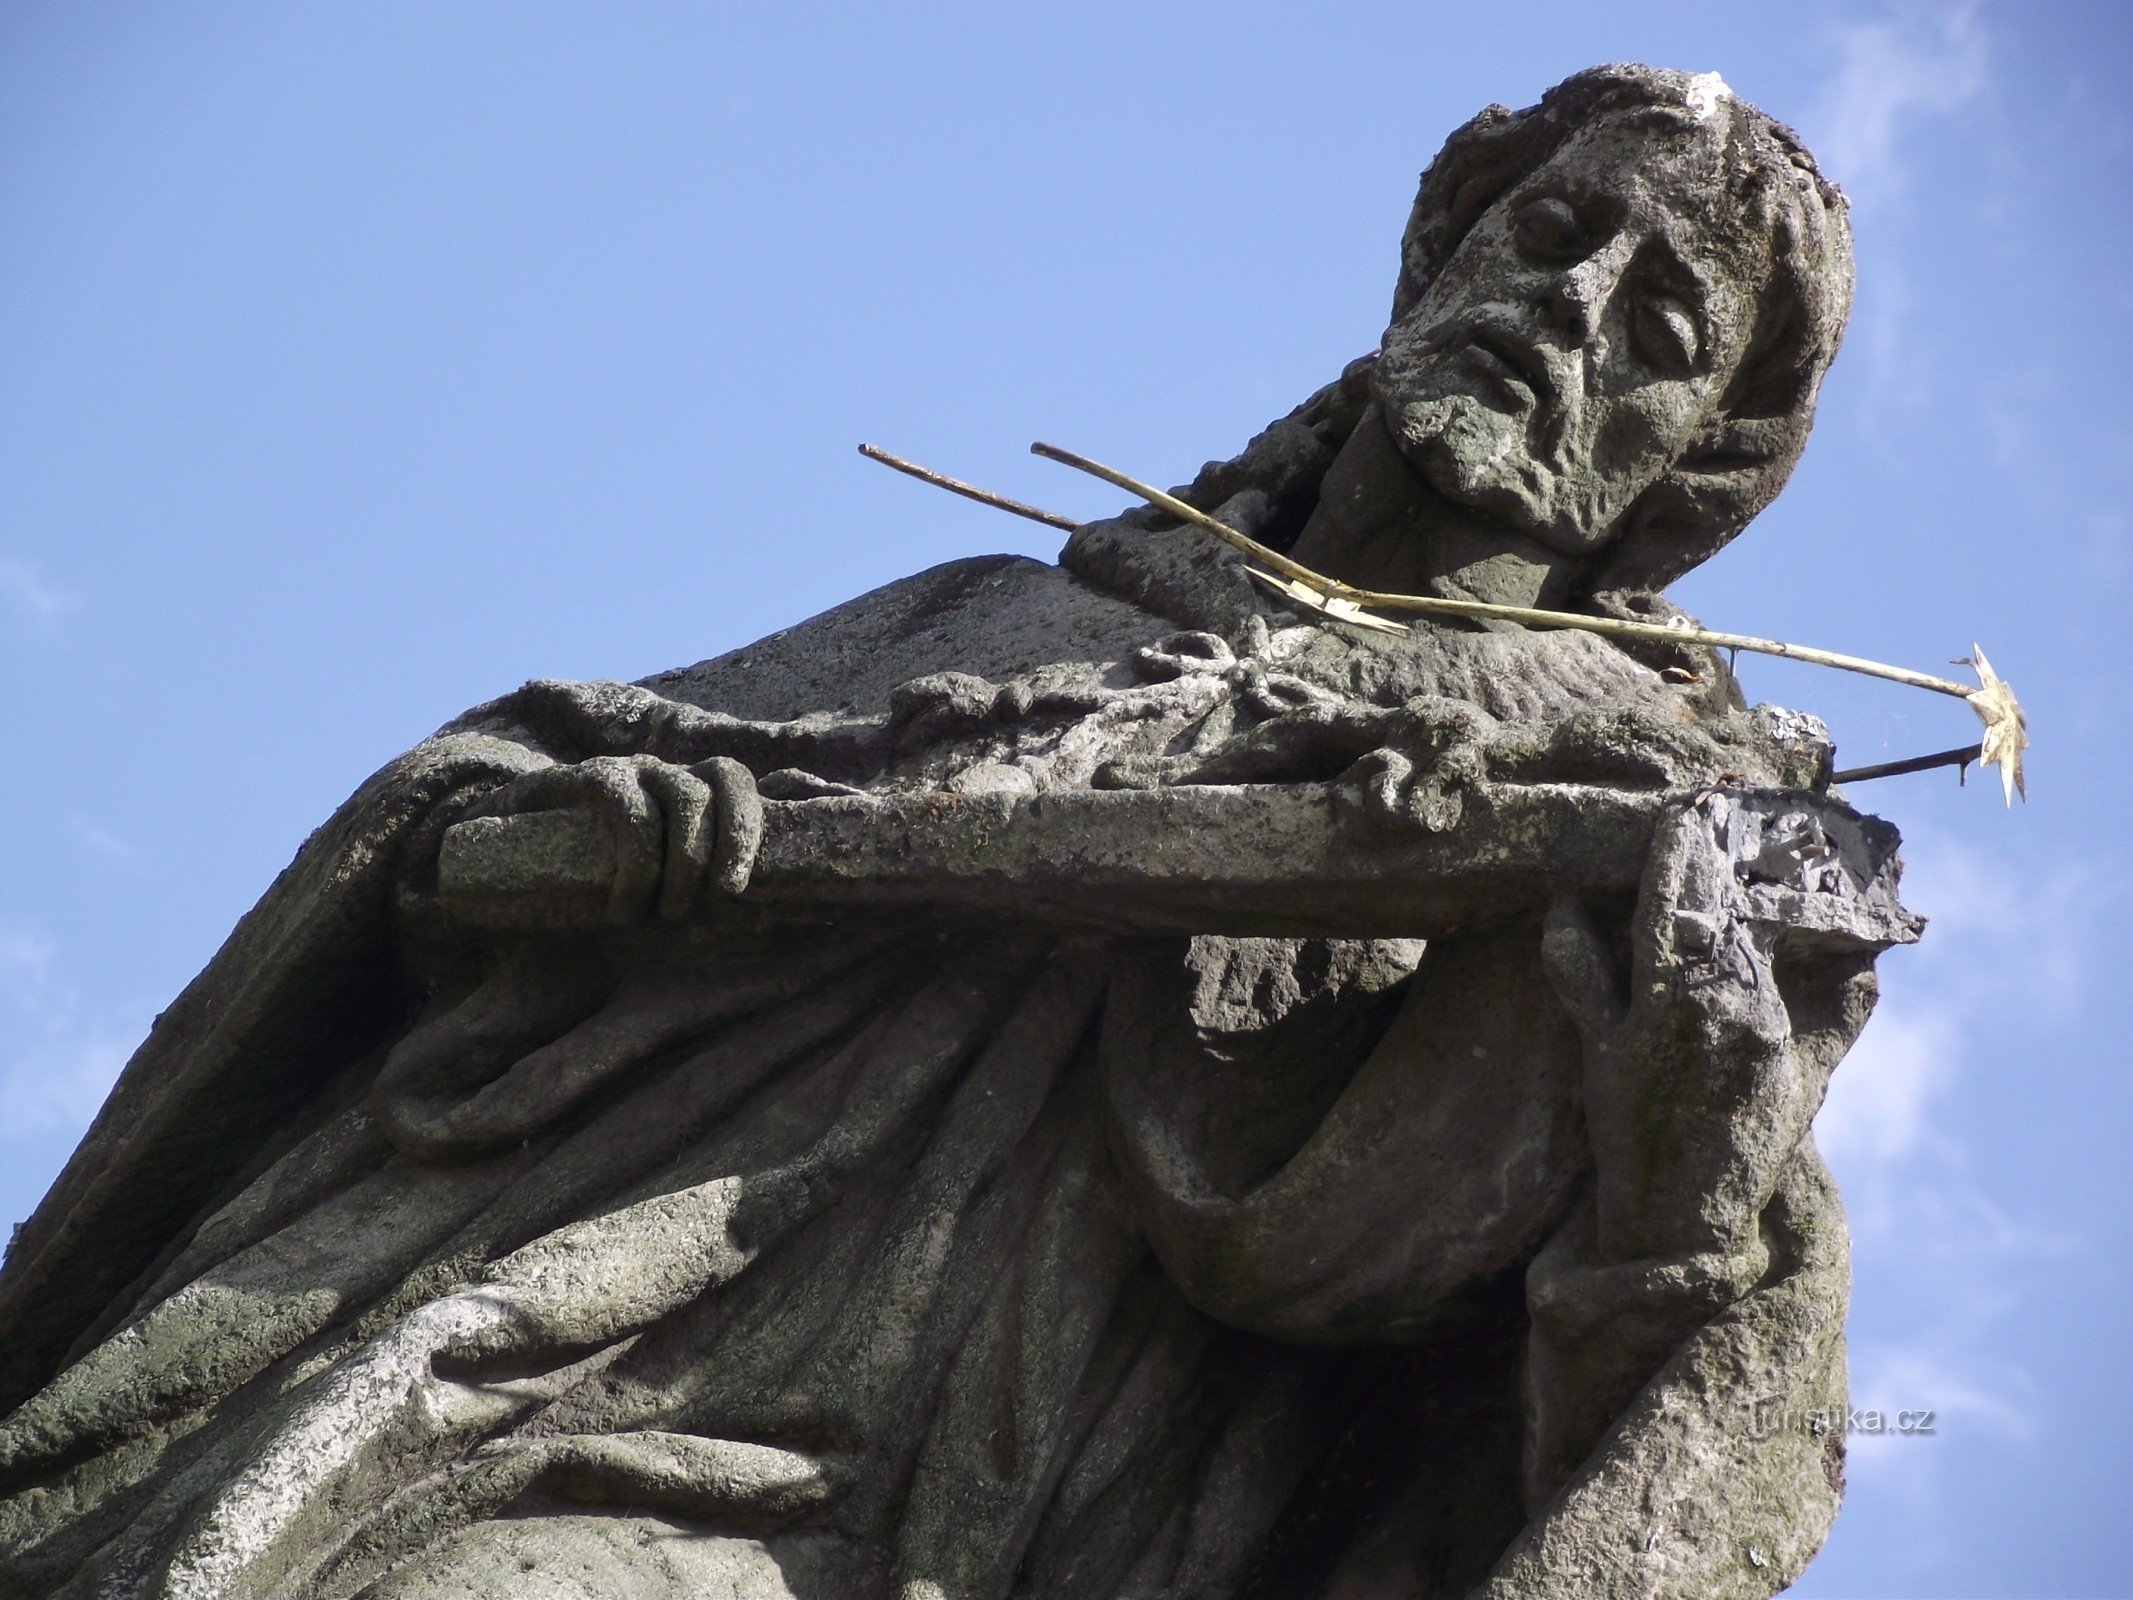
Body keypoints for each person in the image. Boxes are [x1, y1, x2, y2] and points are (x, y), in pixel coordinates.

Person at [0, 64, 1905, 1599]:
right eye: (1551, 232)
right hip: (585, 1317)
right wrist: (626, 835)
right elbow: (463, 833)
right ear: (1438, 255)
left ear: (1692, 466)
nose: (1567, 312)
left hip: (955, 1526)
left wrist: (1684, 1121)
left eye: (1656, 323)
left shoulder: (1629, 839)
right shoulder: (1003, 622)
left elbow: (1629, 1373)